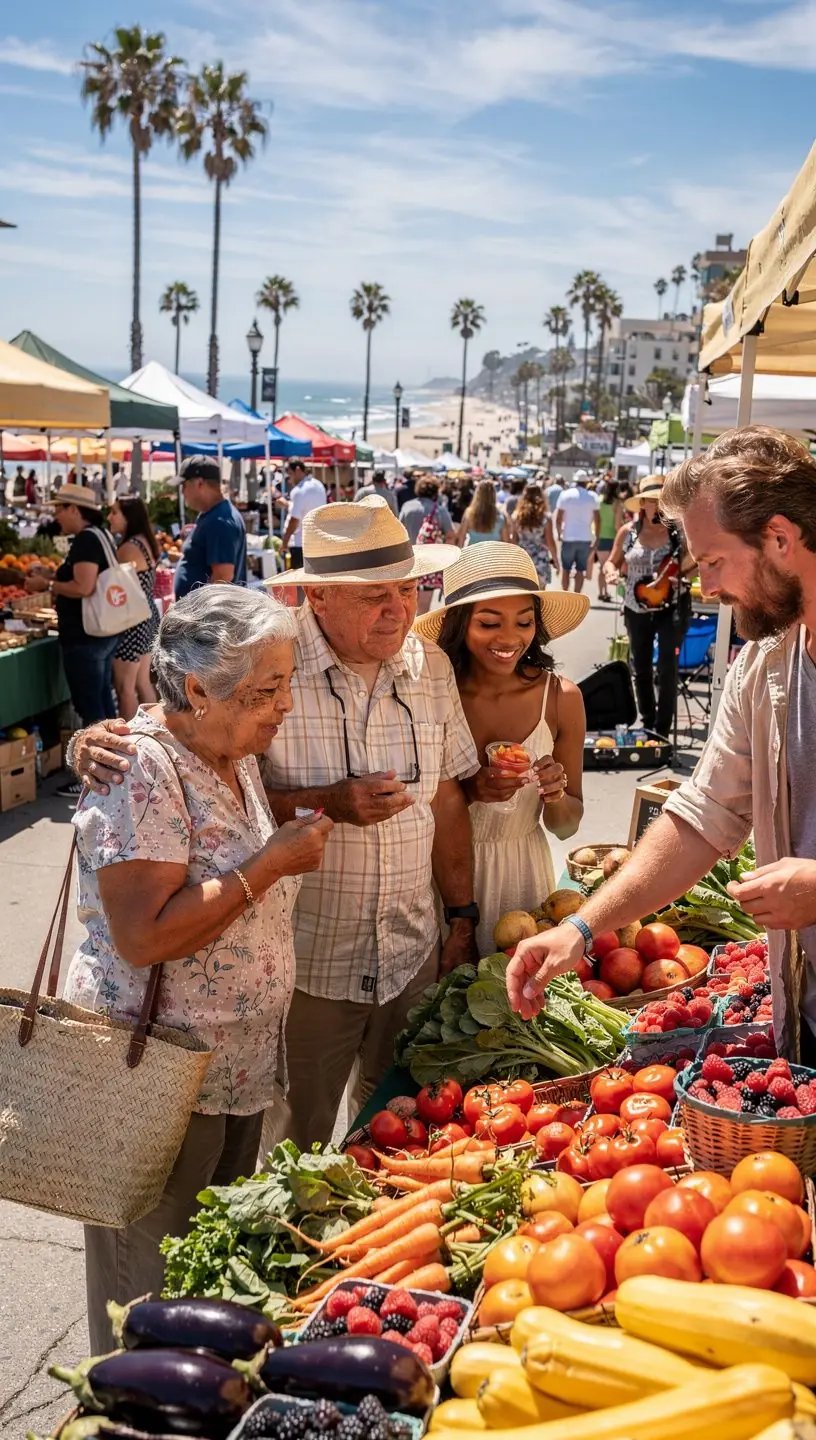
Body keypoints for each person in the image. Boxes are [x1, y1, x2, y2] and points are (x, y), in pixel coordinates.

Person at [70, 498, 480, 1149]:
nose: (399, 609)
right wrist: (92, 741)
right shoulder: (261, 658)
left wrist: (463, 915)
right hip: (305, 972)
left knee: (397, 1141)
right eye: (376, 595)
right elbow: (184, 750)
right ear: (318, 597)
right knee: (297, 1149)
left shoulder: (427, 666)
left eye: (409, 589)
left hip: (407, 953)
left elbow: (448, 797)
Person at [65, 586, 332, 1351]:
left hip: (231, 1068)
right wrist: (270, 864)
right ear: (196, 688)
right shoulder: (142, 769)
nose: (284, 706)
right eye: (266, 690)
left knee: (201, 1282)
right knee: (142, 1296)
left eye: (287, 683)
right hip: (156, 1074)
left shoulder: (230, 747)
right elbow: (142, 937)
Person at [506, 425, 816, 1067]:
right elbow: (704, 817)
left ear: (780, 540)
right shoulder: (765, 667)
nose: (704, 588)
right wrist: (583, 928)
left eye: (712, 562)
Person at [415, 544, 588, 957]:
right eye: (490, 623)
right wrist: (470, 792)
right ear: (460, 624)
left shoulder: (561, 698)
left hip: (523, 875)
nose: (510, 639)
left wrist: (556, 792)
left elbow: (566, 828)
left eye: (524, 622)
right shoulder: (431, 690)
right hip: (439, 877)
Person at [24, 484, 119, 782]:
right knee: (102, 703)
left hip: (86, 637)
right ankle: (119, 768)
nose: (56, 516)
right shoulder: (100, 535)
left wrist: (49, 586)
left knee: (90, 706)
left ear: (75, 510)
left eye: (59, 509)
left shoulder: (86, 540)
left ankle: (102, 775)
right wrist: (52, 577)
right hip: (102, 633)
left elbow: (84, 587)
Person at [604, 475, 692, 739]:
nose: (659, 506)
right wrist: (610, 573)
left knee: (667, 667)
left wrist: (680, 575)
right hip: (635, 606)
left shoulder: (678, 533)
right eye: (654, 501)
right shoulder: (628, 532)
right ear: (643, 503)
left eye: (663, 501)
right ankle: (648, 723)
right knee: (640, 667)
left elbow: (695, 561)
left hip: (671, 607)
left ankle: (663, 731)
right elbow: (612, 561)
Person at [109, 495, 160, 719]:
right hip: (147, 615)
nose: (110, 517)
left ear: (128, 517)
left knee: (125, 689)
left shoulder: (128, 548)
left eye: (114, 512)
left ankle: (129, 742)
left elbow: (110, 585)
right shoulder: (145, 541)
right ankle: (157, 732)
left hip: (132, 621)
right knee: (143, 683)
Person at [173, 455, 247, 599]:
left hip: (207, 618)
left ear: (200, 483)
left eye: (184, 485)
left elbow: (223, 576)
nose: (182, 492)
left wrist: (197, 613)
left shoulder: (220, 520)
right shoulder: (213, 514)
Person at [555, 471, 599, 593]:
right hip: (585, 537)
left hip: (568, 536)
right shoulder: (592, 497)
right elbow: (597, 519)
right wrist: (597, 537)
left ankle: (565, 594)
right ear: (586, 482)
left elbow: (558, 518)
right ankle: (577, 595)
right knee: (580, 569)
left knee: (566, 568)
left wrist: (559, 534)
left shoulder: (565, 495)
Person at [282, 460, 327, 570]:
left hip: (301, 545)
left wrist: (284, 542)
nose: (289, 479)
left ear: (297, 470)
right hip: (318, 542)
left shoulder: (299, 491)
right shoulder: (319, 485)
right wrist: (288, 505)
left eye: (290, 474)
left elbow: (294, 520)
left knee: (299, 582)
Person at [511, 483, 557, 585]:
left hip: (523, 559)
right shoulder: (545, 517)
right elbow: (550, 541)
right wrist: (556, 560)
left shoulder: (517, 516)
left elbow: (514, 540)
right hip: (540, 559)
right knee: (540, 596)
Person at [398, 475, 455, 543]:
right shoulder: (440, 511)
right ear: (436, 491)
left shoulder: (406, 506)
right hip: (433, 552)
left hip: (410, 551)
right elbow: (450, 536)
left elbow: (398, 532)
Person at [595, 479, 624, 602]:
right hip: (613, 538)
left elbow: (596, 521)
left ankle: (602, 592)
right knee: (613, 566)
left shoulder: (599, 500)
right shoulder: (617, 503)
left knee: (602, 566)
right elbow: (617, 524)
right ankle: (617, 593)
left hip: (601, 537)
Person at [459, 480, 511, 546]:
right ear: (494, 495)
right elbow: (506, 542)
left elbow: (461, 538)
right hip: (494, 555)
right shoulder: (501, 517)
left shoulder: (469, 513)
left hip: (473, 554)